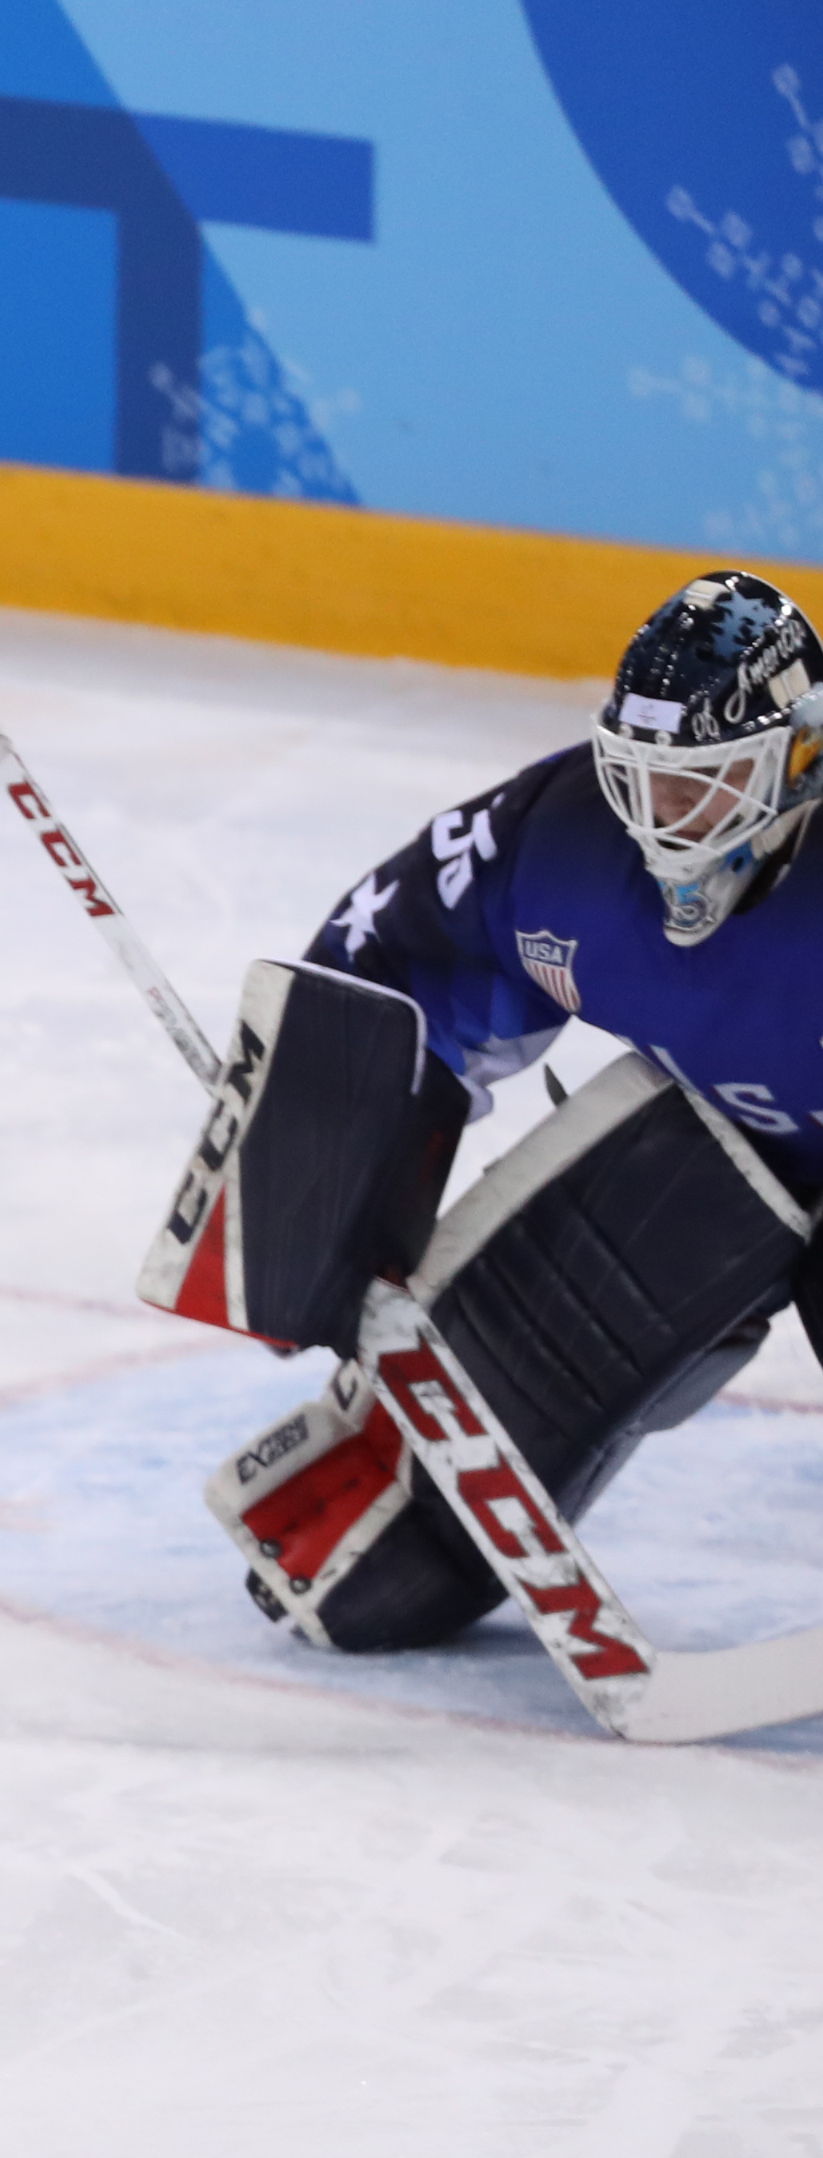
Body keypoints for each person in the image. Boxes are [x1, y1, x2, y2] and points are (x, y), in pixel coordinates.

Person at [176, 572, 823, 1650]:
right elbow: (391, 971)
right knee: (382, 1582)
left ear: (801, 756)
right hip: (710, 1158)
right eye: (643, 778)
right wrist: (314, 1191)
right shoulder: (561, 840)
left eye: (701, 784)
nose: (661, 817)